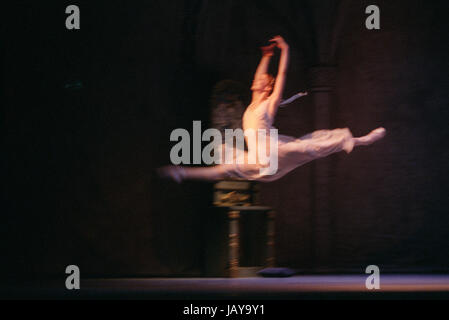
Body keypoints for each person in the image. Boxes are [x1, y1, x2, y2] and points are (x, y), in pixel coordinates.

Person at [159, 36, 386, 183]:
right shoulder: (252, 103)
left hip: (272, 152)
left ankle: (361, 140)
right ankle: (182, 172)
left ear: (267, 87)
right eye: (256, 79)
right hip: (257, 158)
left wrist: (285, 50)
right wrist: (266, 56)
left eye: (262, 79)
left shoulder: (270, 102)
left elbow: (283, 75)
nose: (256, 79)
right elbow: (260, 76)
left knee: (312, 145)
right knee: (223, 169)